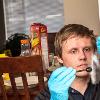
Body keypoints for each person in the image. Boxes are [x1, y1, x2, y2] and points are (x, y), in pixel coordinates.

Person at [35, 24, 100, 100]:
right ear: (59, 58)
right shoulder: (49, 94)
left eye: (87, 49)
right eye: (73, 51)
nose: (83, 57)